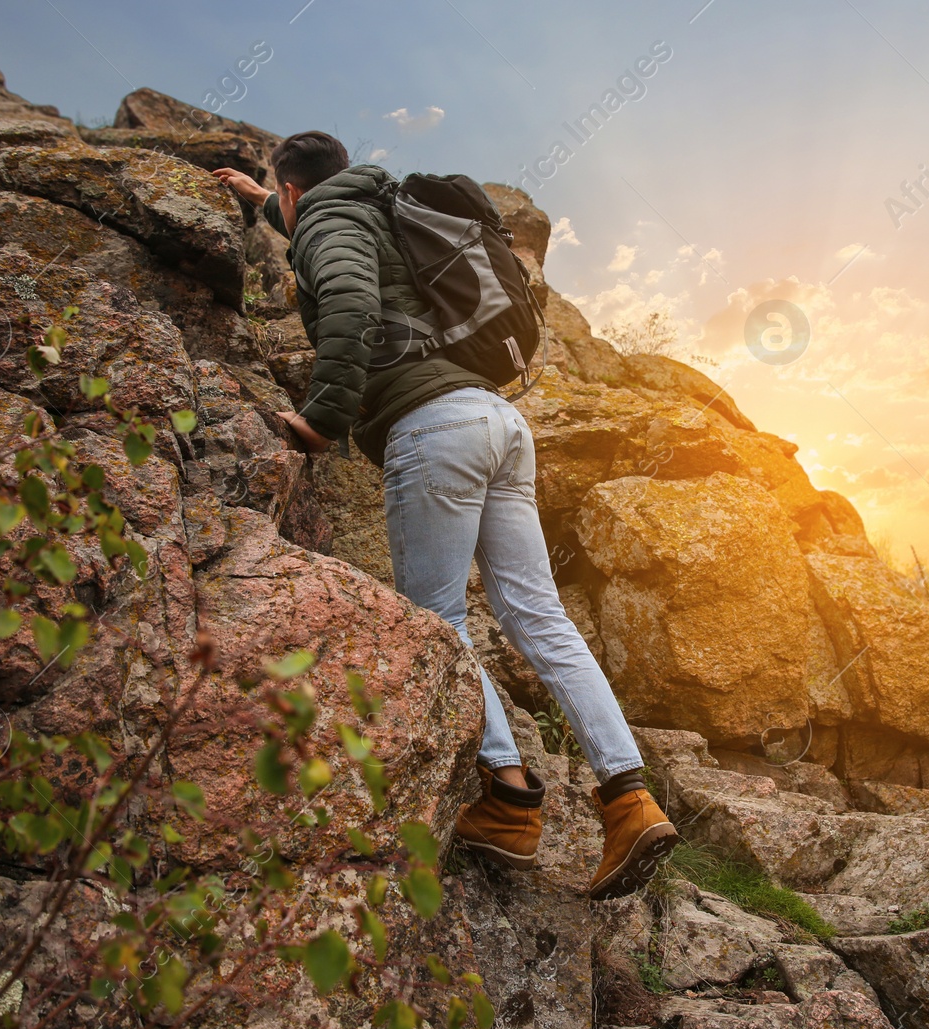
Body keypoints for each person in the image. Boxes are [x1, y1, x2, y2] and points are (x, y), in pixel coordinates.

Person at [214, 132, 678, 899]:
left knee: (436, 618)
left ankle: (507, 799)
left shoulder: (326, 217)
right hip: (496, 422)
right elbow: (350, 257)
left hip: (432, 428)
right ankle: (630, 798)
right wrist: (261, 202)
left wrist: (322, 418)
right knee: (540, 616)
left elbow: (354, 302)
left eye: (278, 195)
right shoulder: (382, 203)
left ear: (296, 189)